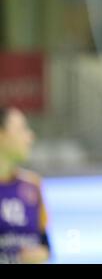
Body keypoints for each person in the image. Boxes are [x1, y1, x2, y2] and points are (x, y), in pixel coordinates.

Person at [0, 107, 50, 264]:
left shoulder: (32, 185)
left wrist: (41, 254)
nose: (30, 136)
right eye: (22, 129)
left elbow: (45, 247)